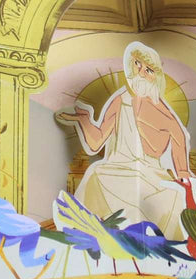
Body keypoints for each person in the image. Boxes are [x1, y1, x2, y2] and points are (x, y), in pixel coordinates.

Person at [56, 42, 189, 238]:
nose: (141, 72)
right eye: (137, 64)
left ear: (156, 76)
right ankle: (90, 237)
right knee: (94, 173)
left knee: (174, 195)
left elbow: (180, 141)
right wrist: (83, 120)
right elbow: (95, 143)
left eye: (149, 69)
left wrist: (184, 177)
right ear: (130, 64)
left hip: (153, 174)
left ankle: (158, 244)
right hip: (117, 168)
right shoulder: (121, 100)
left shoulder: (164, 112)